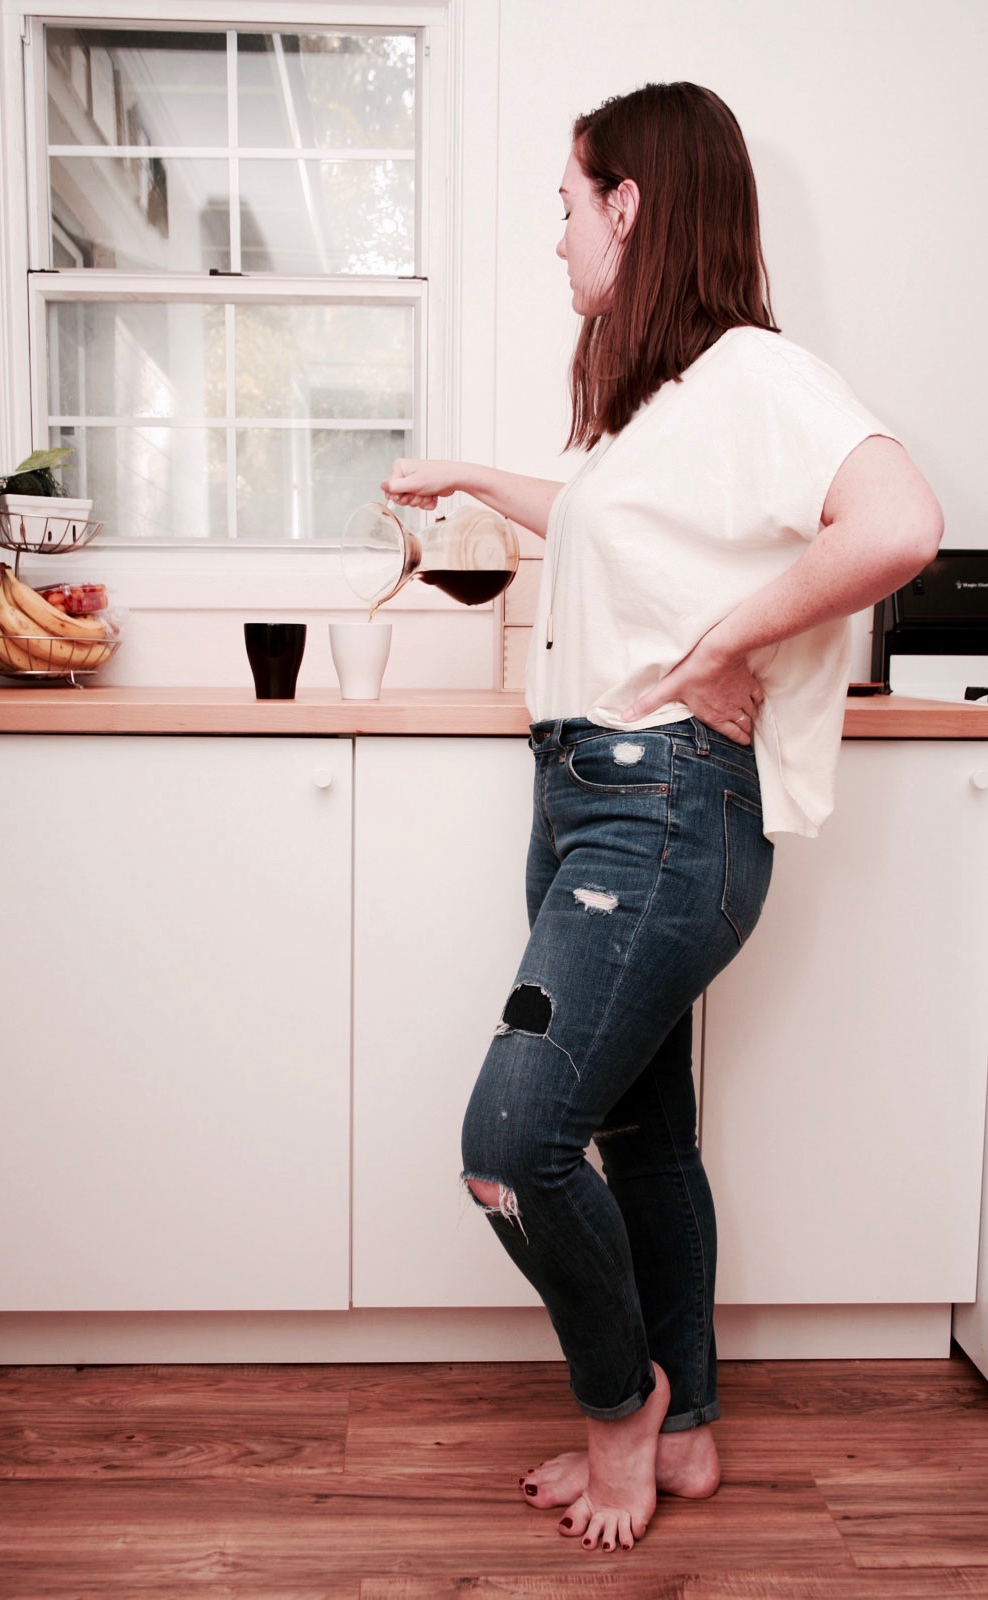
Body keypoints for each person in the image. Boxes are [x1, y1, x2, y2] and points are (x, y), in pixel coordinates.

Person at [382, 82, 942, 1556]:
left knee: (512, 1138)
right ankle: (689, 1427)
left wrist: (726, 647)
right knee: (644, 1134)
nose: (555, 239)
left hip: (661, 812)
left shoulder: (758, 371)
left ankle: (620, 1405)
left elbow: (898, 524)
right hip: (583, 802)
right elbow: (596, 519)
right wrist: (464, 479)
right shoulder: (659, 410)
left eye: (567, 206)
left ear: (629, 205)